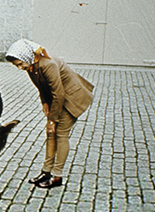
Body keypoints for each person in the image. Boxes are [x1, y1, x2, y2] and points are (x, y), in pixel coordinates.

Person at [6, 39, 94, 188]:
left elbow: (58, 93)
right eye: (17, 65)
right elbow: (41, 86)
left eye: (20, 64)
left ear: (27, 56)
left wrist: (52, 120)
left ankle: (57, 176)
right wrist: (45, 103)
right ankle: (46, 172)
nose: (20, 68)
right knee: (50, 134)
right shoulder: (31, 65)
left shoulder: (48, 64)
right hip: (57, 98)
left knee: (60, 133)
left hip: (71, 98)